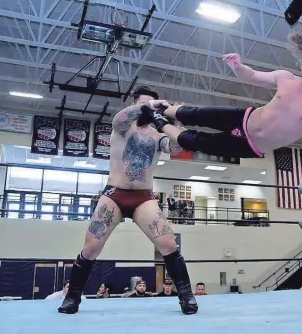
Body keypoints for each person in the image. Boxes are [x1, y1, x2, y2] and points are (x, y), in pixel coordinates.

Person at [58, 86, 198, 315]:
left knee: (169, 245)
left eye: (151, 104)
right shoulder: (122, 127)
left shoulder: (158, 134)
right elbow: (122, 117)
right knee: (91, 248)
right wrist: (150, 105)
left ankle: (187, 296)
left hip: (143, 197)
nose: (148, 109)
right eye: (143, 104)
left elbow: (175, 146)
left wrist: (176, 118)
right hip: (115, 194)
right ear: (135, 104)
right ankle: (72, 298)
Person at [147, 27, 302, 159]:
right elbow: (252, 77)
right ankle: (165, 108)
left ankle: (158, 121)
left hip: (250, 146)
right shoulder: (285, 77)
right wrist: (238, 67)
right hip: (242, 118)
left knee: (192, 141)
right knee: (194, 114)